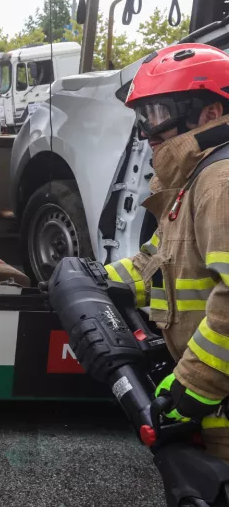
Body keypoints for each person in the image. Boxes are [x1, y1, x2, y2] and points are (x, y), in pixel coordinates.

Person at [104, 44, 229, 460]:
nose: (148, 133)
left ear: (210, 113)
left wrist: (194, 384)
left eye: (158, 114)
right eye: (143, 117)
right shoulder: (195, 180)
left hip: (216, 399)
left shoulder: (221, 183)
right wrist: (97, 281)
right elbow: (154, 264)